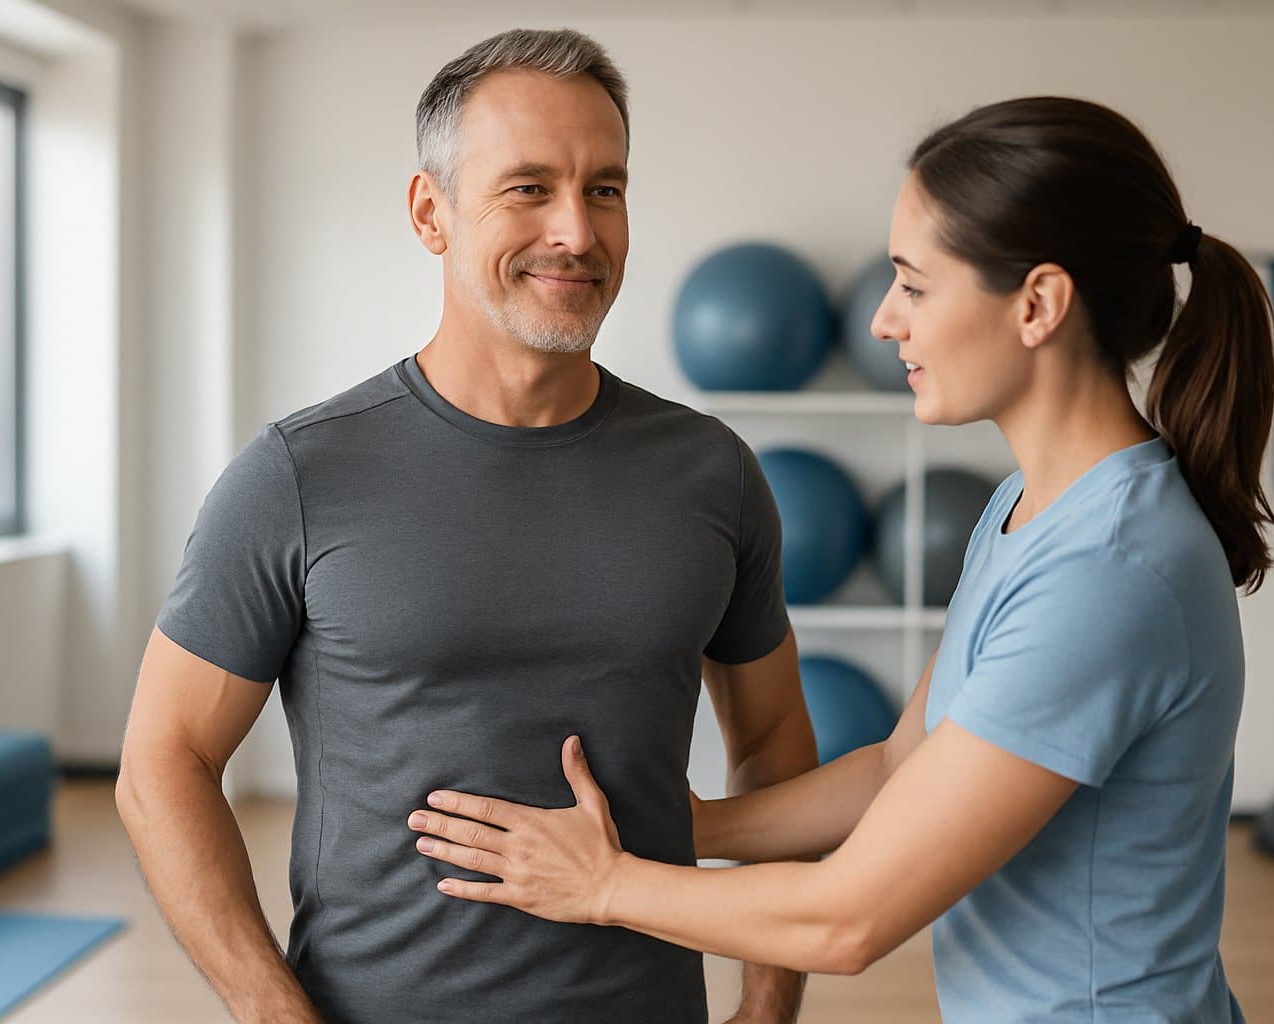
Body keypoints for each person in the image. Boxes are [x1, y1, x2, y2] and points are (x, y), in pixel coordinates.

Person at [405, 96, 1274, 1023]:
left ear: (1038, 305)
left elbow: (849, 918)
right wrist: (676, 826)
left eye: (914, 284)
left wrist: (605, 884)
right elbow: (902, 765)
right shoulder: (1029, 510)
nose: (884, 323)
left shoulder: (1109, 569)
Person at [116, 28, 817, 1024]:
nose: (576, 230)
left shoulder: (711, 472)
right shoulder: (298, 474)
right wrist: (273, 1010)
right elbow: (162, 763)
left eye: (605, 188)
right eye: (528, 187)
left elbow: (777, 736)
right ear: (429, 211)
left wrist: (770, 1002)